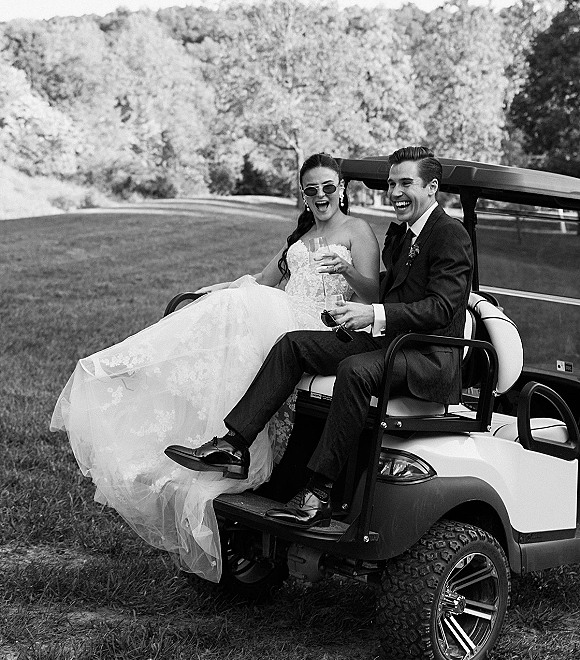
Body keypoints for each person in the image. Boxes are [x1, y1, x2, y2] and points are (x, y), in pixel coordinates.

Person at [50, 153, 380, 581]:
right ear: (302, 194)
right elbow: (263, 282)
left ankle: (230, 442)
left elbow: (374, 293)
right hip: (288, 320)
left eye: (328, 188)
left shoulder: (357, 231)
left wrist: (347, 269)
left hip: (328, 325)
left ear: (343, 189)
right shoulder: (299, 238)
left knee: (250, 318)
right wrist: (218, 290)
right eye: (310, 190)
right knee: (231, 308)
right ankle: (147, 379)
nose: (320, 197)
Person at [166, 146, 474, 530]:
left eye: (405, 183)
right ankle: (235, 444)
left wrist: (373, 313)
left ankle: (319, 493)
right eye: (392, 183)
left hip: (428, 356)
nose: (395, 192)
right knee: (294, 343)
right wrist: (365, 316)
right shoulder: (401, 232)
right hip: (389, 341)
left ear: (432, 187)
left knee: (355, 371)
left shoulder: (449, 234)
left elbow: (441, 309)